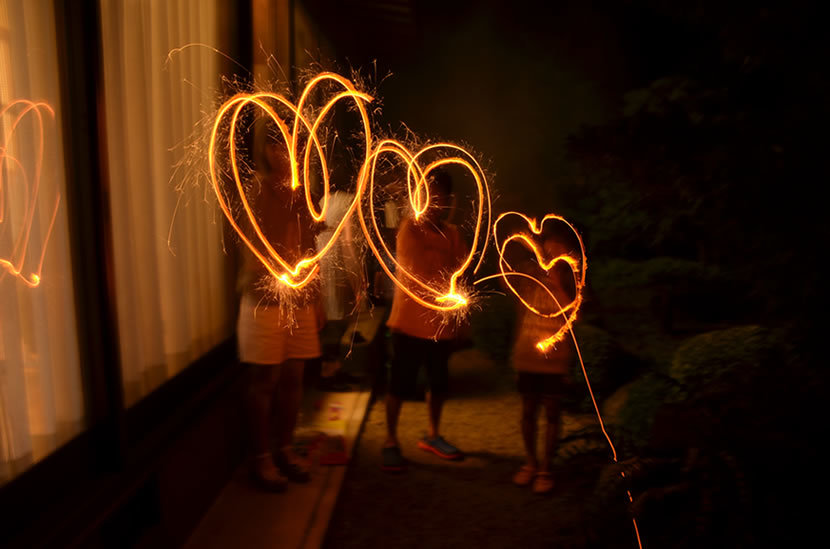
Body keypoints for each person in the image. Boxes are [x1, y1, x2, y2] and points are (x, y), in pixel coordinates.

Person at [237, 121, 323, 492]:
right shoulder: (256, 189)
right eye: (274, 144)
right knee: (265, 382)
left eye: (287, 144)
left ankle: (284, 449)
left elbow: (309, 245)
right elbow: (251, 247)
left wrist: (315, 295)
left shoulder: (302, 191)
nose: (281, 152)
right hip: (265, 301)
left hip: (299, 299)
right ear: (265, 150)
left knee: (293, 378)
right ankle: (261, 458)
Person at [381, 169, 467, 472]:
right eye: (428, 195)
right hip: (407, 322)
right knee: (399, 385)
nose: (434, 202)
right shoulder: (410, 227)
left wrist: (457, 318)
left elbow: (459, 273)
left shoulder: (453, 234)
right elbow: (424, 267)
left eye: (440, 196)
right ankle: (390, 439)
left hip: (439, 326)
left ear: (447, 200)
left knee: (438, 383)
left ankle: (433, 435)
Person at [509, 230, 577, 494]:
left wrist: (558, 282)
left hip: (555, 360)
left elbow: (576, 315)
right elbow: (507, 283)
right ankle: (530, 463)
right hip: (527, 356)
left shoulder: (572, 282)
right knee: (528, 411)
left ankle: (546, 468)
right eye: (545, 253)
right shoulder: (528, 278)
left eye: (555, 254)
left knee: (551, 413)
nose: (549, 259)